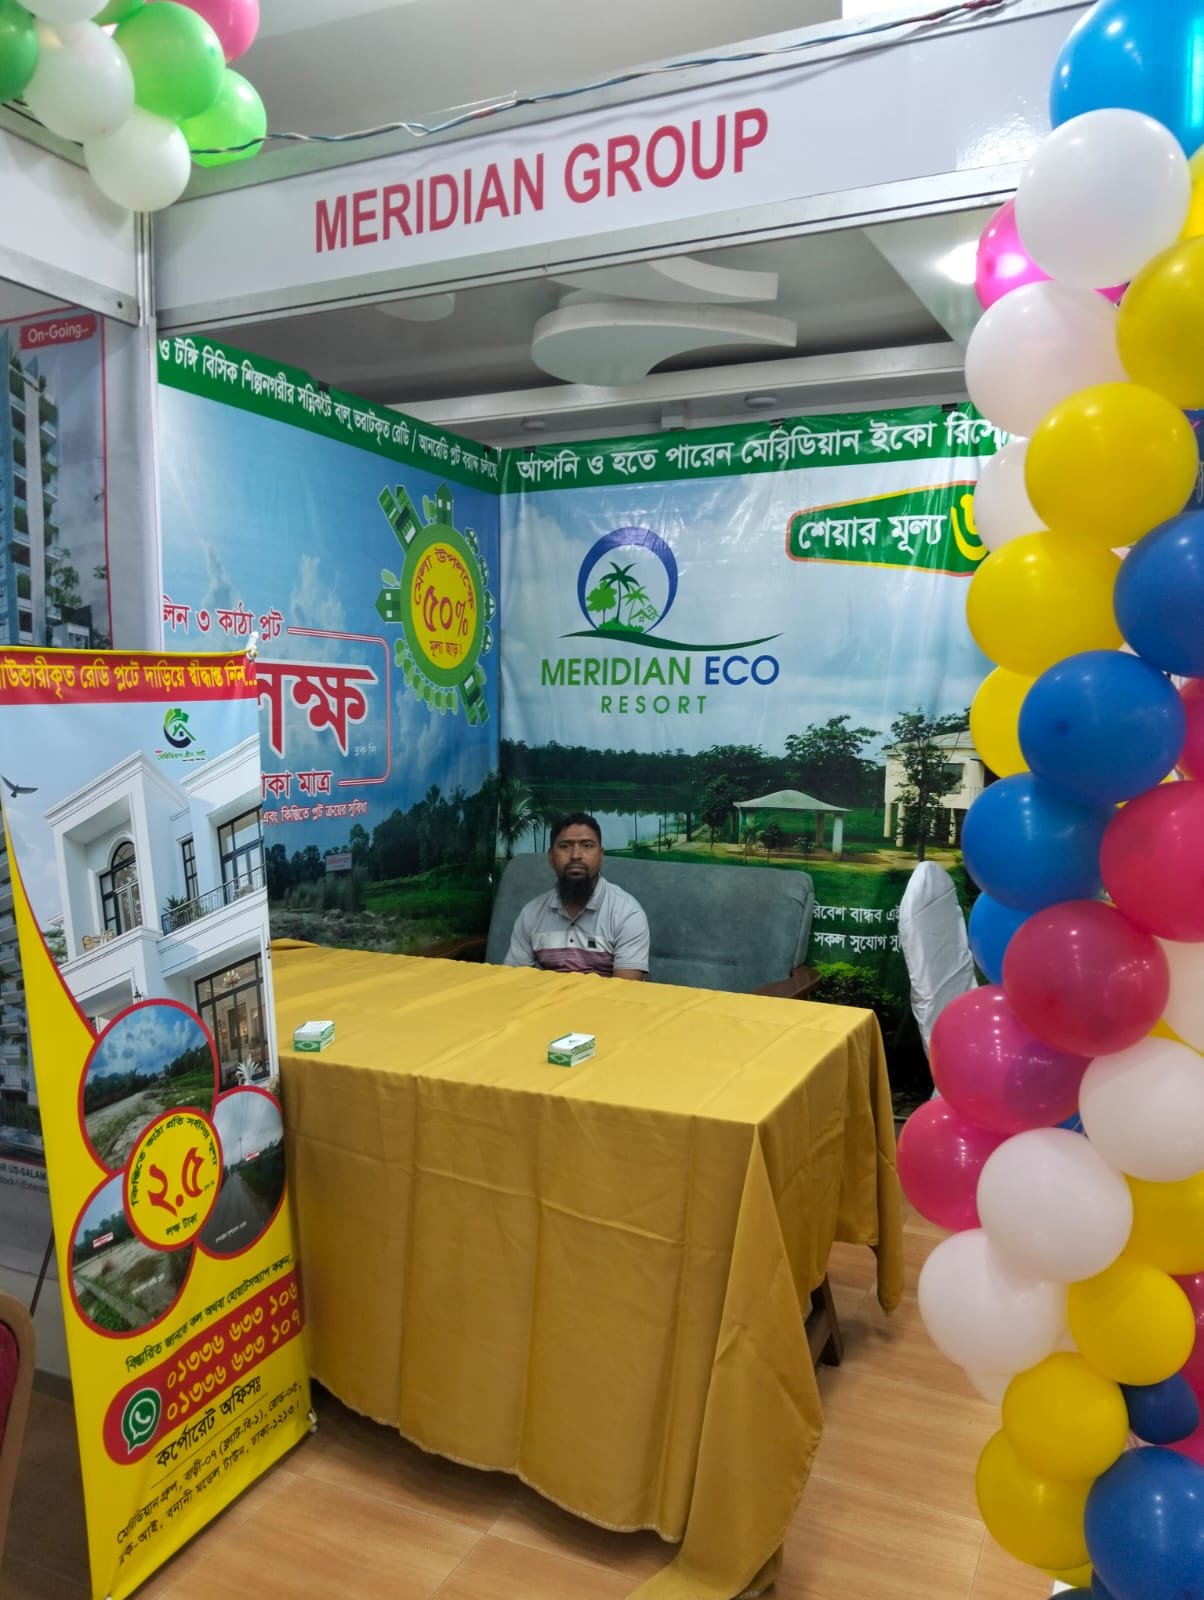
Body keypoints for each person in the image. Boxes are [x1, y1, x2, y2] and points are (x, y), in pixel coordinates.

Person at [505, 812, 649, 980]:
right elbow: (514, 981)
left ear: (601, 855)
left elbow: (624, 990)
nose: (575, 855)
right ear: (551, 857)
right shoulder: (531, 913)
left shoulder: (627, 914)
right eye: (565, 846)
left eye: (587, 845)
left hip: (605, 998)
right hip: (548, 997)